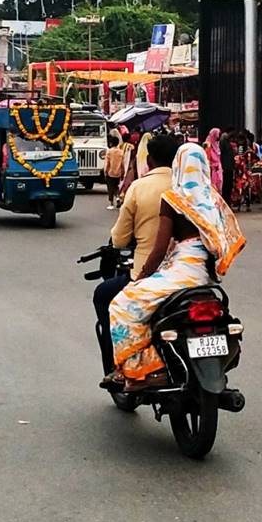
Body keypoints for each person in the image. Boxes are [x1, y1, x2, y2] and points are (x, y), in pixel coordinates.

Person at [107, 143, 246, 391]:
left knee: (121, 305)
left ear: (178, 166)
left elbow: (159, 249)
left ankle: (146, 370)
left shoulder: (174, 199)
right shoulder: (214, 200)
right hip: (205, 279)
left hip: (180, 274)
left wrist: (140, 277)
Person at [93, 132, 178, 375]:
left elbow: (120, 238)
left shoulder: (140, 188)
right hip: (193, 275)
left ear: (149, 160)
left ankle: (118, 366)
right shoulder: (190, 188)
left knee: (104, 296)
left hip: (149, 274)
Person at [103, 129, 127, 208]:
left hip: (110, 173)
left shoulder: (109, 152)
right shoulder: (121, 152)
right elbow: (122, 164)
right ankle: (117, 198)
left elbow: (107, 163)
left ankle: (111, 203)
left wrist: (105, 172)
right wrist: (123, 173)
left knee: (110, 188)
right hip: (118, 173)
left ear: (110, 143)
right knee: (116, 187)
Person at [204, 128, 225, 199]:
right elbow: (206, 159)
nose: (218, 137)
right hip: (212, 170)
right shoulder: (207, 145)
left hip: (218, 170)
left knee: (219, 187)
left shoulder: (216, 144)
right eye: (218, 135)